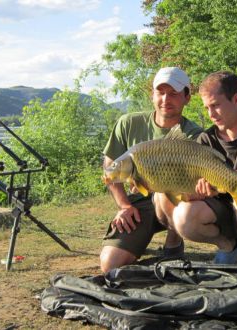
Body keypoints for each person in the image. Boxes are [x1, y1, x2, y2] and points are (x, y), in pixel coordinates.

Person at [154, 71, 237, 265]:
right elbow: (196, 187)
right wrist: (192, 191)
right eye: (207, 108)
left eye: (215, 105)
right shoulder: (206, 139)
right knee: (183, 217)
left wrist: (219, 182)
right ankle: (227, 245)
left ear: (236, 99)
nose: (211, 114)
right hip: (222, 207)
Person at [100, 67, 203, 273]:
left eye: (173, 93)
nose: (166, 99)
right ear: (152, 95)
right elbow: (110, 168)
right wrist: (124, 206)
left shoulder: (194, 134)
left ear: (187, 97)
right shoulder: (128, 123)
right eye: (160, 92)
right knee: (110, 265)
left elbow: (196, 182)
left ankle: (173, 244)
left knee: (165, 193)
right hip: (139, 204)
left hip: (180, 202)